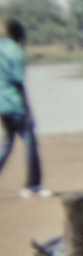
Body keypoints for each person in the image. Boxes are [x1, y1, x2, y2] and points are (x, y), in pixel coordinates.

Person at [0, 19, 43, 198]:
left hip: (1, 103)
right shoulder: (16, 52)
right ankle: (32, 185)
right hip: (15, 103)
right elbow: (19, 84)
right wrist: (29, 112)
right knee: (29, 140)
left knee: (9, 142)